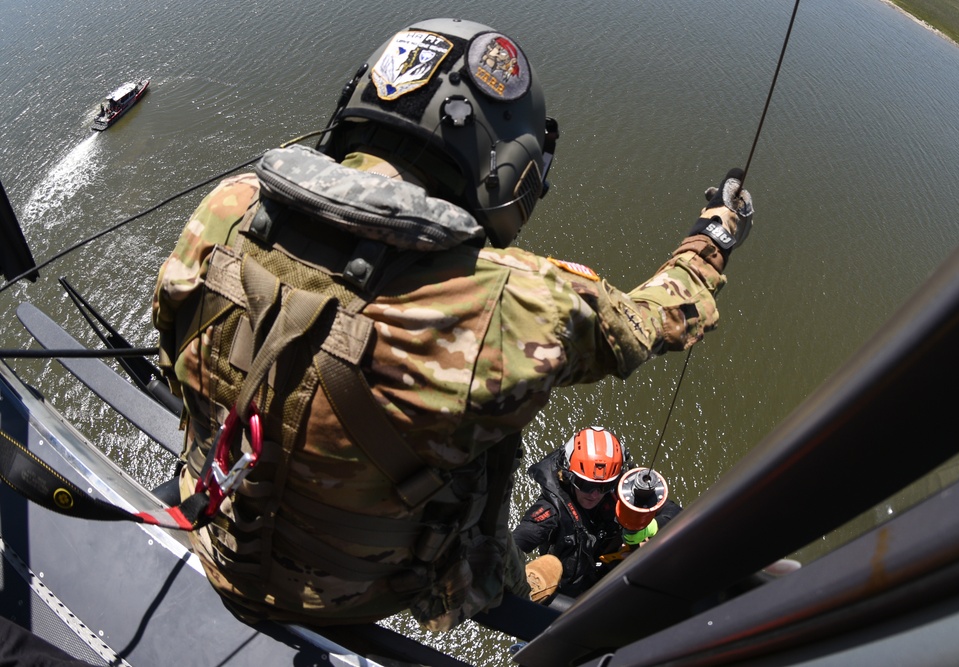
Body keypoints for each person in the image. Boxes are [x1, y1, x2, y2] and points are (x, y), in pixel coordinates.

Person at [152, 17, 754, 633]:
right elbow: (655, 319)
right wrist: (715, 236)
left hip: (213, 534)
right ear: (511, 171)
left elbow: (171, 333)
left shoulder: (227, 208)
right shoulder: (513, 298)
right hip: (353, 599)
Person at [513, 427, 682, 600]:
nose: (594, 494)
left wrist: (647, 529)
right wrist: (515, 580)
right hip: (571, 587)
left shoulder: (624, 490)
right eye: (585, 485)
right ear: (567, 475)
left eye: (604, 486)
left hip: (612, 567)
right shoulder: (551, 510)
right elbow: (515, 542)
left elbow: (675, 513)